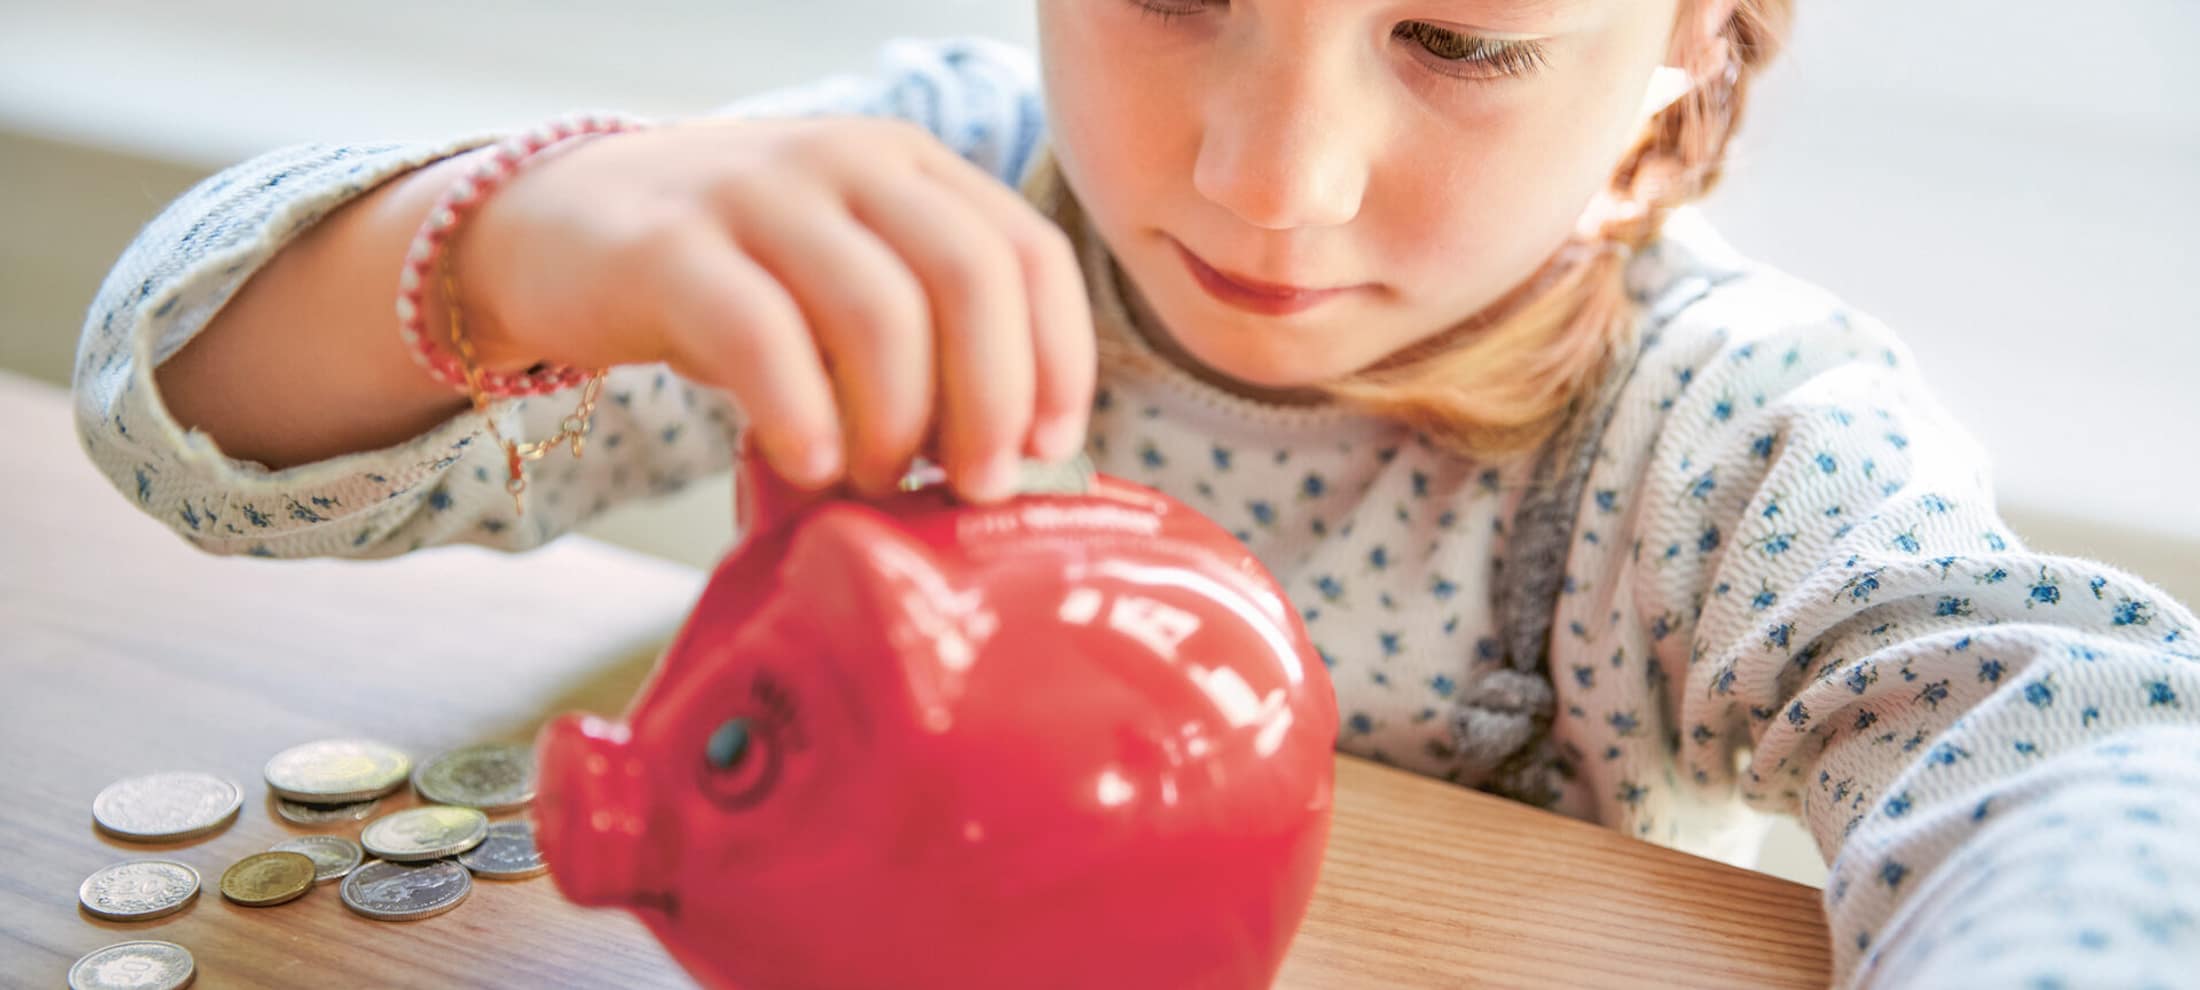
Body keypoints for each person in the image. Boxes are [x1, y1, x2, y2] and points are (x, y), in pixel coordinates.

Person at [74, 1, 2200, 984]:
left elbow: (2065, 749)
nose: (1264, 178)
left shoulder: (1730, 433)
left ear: (1687, 50)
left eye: (1454, 39)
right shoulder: (919, 202)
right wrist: (522, 235)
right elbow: (187, 440)